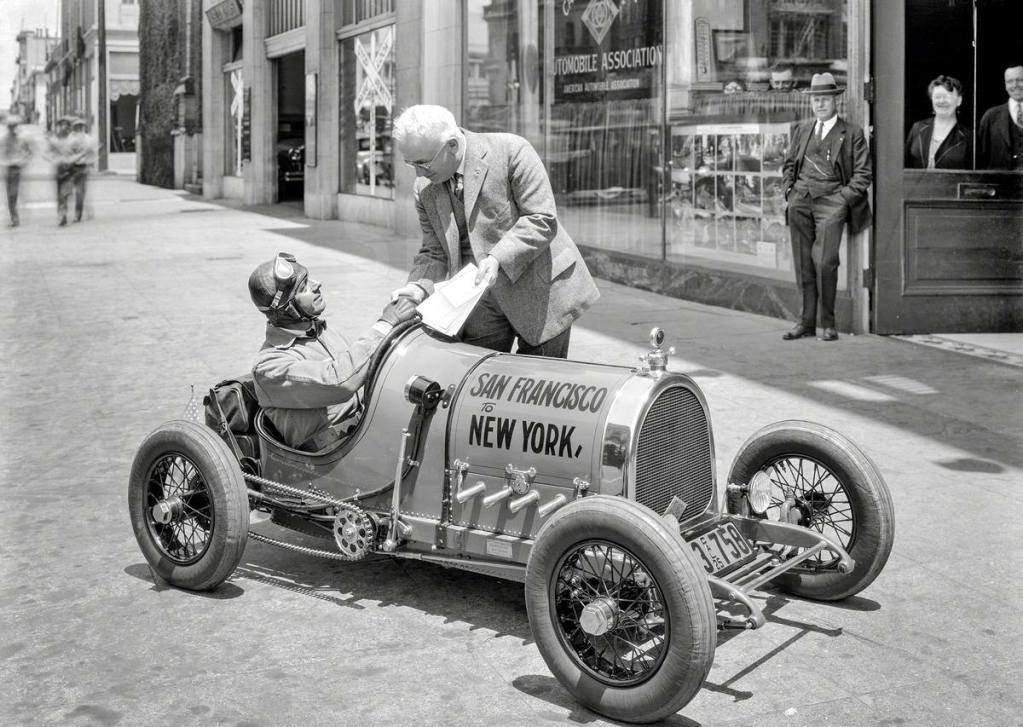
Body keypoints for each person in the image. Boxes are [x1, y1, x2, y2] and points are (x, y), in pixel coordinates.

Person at [390, 104, 600, 358]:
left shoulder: (512, 150)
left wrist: (497, 257)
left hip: (541, 291)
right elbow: (434, 251)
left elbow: (542, 218)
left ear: (452, 145)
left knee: (538, 378)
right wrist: (419, 286)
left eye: (423, 163)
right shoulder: (423, 187)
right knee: (478, 375)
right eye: (410, 163)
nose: (418, 173)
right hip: (480, 303)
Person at [249, 252, 421, 451]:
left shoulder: (320, 331)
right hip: (333, 454)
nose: (317, 284)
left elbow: (363, 367)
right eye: (303, 287)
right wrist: (385, 324)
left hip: (365, 432)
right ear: (286, 308)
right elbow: (339, 382)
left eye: (309, 279)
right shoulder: (269, 366)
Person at [781, 72, 871, 342]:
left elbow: (863, 174)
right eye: (816, 99)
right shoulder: (803, 130)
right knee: (803, 264)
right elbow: (789, 165)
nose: (820, 104)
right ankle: (806, 323)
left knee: (825, 262)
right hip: (800, 201)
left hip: (832, 203)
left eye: (825, 99)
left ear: (835, 101)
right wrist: (789, 192)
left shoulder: (851, 133)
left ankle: (829, 324)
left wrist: (842, 199)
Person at [905, 75, 972, 169]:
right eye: (937, 97)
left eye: (947, 96)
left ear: (959, 101)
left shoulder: (968, 137)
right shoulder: (917, 128)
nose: (941, 101)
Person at [977, 65, 1023, 170]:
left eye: (1020, 80)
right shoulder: (991, 116)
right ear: (1005, 85)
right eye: (1010, 81)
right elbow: (980, 158)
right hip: (999, 180)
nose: (1015, 85)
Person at [1, 114, 32, 227]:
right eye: (10, 126)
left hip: (17, 168)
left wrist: (23, 161)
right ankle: (13, 217)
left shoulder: (22, 138)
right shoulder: (4, 139)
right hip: (8, 168)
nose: (11, 128)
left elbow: (29, 151)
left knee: (13, 193)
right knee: (10, 194)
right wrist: (3, 162)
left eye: (13, 126)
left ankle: (15, 217)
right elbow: (1, 152)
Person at [67, 117, 98, 222]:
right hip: (71, 167)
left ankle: (78, 214)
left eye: (81, 127)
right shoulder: (70, 139)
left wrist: (90, 164)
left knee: (80, 192)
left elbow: (93, 153)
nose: (79, 129)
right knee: (70, 192)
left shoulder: (89, 139)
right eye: (77, 127)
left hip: (82, 167)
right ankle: (86, 210)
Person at [47, 116, 75, 226]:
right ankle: (62, 213)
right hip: (58, 169)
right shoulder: (54, 140)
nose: (64, 127)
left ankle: (63, 213)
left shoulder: (73, 140)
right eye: (62, 125)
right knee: (60, 194)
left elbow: (79, 151)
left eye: (66, 125)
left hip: (69, 169)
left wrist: (73, 159)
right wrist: (53, 159)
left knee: (65, 194)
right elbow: (46, 153)